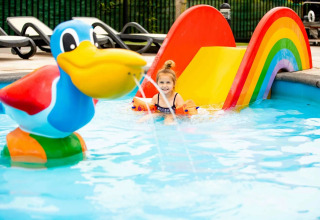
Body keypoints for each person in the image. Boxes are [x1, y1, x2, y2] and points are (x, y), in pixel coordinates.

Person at [139, 60, 184, 125]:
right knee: (142, 119)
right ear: (157, 84)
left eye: (168, 82)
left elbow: (182, 114)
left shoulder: (177, 97)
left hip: (173, 115)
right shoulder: (156, 97)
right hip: (159, 114)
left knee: (168, 121)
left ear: (174, 84)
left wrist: (170, 116)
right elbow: (150, 109)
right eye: (161, 82)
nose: (164, 85)